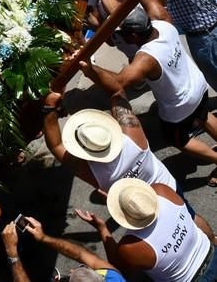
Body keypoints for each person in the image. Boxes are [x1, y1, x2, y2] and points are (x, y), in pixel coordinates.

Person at [82, 0, 217, 187]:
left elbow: (118, 83)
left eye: (123, 33)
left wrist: (89, 69)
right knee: (204, 117)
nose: (120, 37)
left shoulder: (146, 59)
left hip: (180, 106)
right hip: (198, 86)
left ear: (134, 35)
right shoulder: (162, 22)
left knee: (178, 139)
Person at [43, 85, 214, 235]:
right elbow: (117, 91)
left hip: (140, 208)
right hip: (169, 188)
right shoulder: (133, 135)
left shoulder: (94, 173)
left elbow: (56, 146)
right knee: (189, 217)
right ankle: (212, 240)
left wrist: (49, 108)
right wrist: (94, 72)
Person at [81, 178, 217, 280]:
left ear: (121, 216)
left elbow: (119, 271)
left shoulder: (130, 246)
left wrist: (102, 228)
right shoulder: (162, 190)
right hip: (212, 252)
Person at [4, 217, 126, 282]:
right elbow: (80, 254)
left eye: (68, 279)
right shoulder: (113, 278)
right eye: (83, 267)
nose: (72, 270)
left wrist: (12, 253)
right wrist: (44, 238)